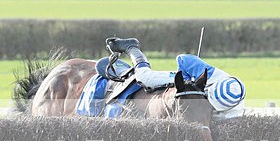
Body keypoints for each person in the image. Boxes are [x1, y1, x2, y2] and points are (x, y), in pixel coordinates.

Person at [103, 36, 245, 119]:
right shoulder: (209, 75)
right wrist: (188, 83)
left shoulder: (235, 108)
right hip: (188, 79)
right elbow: (183, 59)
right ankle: (132, 48)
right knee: (145, 78)